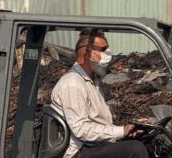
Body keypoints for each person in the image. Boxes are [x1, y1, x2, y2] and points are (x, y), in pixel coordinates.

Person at [51, 29, 147, 158]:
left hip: (93, 145)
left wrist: (127, 130)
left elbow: (99, 122)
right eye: (102, 50)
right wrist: (121, 131)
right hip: (80, 151)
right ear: (86, 53)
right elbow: (81, 129)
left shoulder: (92, 82)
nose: (108, 55)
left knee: (145, 142)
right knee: (135, 149)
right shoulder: (73, 84)